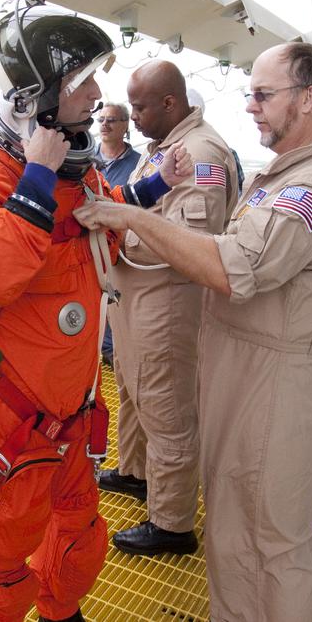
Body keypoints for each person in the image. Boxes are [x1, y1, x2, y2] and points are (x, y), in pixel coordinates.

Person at [75, 42, 312, 621]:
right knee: (238, 522)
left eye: (263, 95)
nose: (252, 107)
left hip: (277, 378)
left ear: (307, 98)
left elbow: (237, 267)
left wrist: (130, 215)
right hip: (249, 368)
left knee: (271, 537)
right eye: (250, 95)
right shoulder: (284, 175)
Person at [0, 0, 191, 622]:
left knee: (78, 533)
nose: (97, 92)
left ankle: (60, 612)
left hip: (70, 404)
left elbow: (98, 226)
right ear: (36, 95)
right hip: (9, 407)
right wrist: (34, 179)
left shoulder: (73, 164)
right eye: (83, 81)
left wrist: (153, 187)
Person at [99, 60, 238, 557]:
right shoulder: (160, 151)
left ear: (169, 104)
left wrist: (117, 232)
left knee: (168, 409)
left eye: (137, 107)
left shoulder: (200, 153)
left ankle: (172, 523)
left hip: (169, 306)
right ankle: (135, 471)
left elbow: (191, 241)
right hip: (136, 304)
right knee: (135, 391)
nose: (131, 116)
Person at [92, 102, 140, 365]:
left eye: (112, 120)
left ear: (125, 125)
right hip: (89, 250)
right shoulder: (84, 160)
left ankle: (115, 354)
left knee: (119, 305)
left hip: (123, 252)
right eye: (101, 119)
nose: (105, 124)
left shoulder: (139, 164)